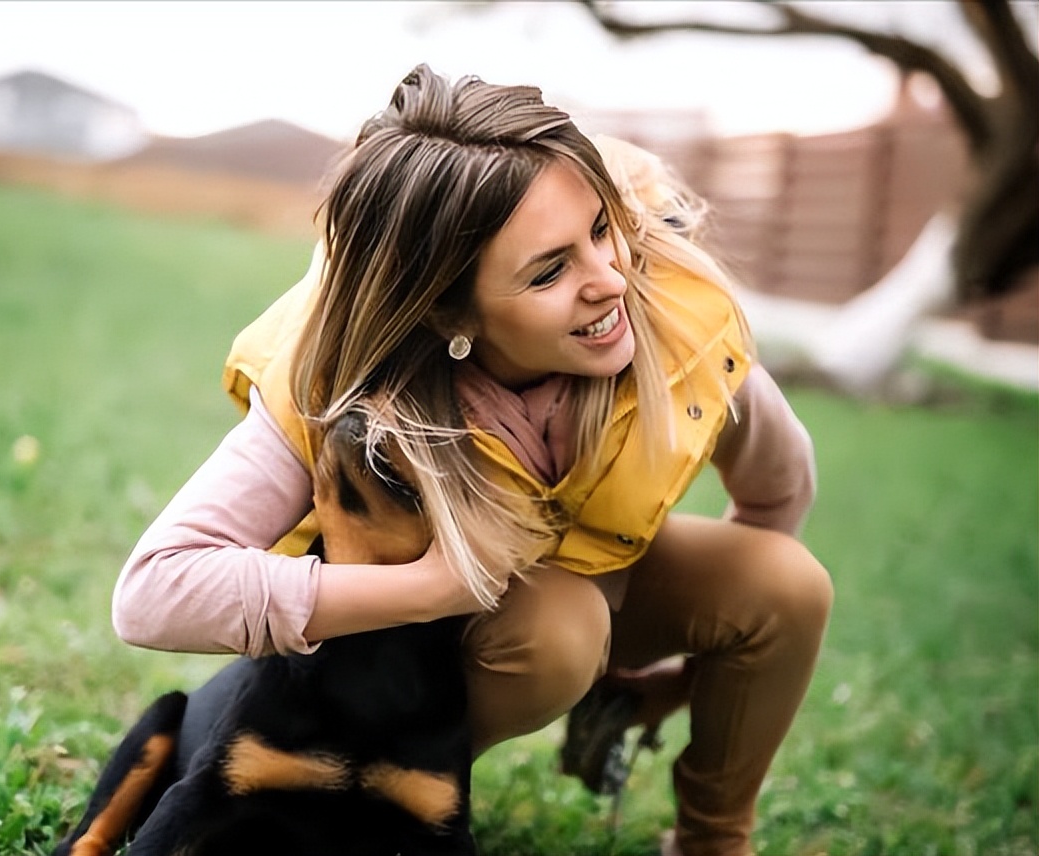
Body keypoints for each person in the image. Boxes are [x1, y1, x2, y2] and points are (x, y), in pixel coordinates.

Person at [111, 64, 833, 856]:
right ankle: (371, 788)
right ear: (445, 309)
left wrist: (682, 679)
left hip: (592, 595)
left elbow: (775, 499)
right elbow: (153, 593)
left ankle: (712, 843)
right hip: (406, 640)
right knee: (558, 628)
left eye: (602, 230)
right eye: (550, 270)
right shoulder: (336, 374)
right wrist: (429, 587)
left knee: (785, 583)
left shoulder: (683, 331)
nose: (611, 281)